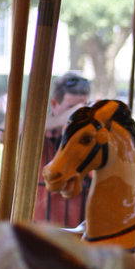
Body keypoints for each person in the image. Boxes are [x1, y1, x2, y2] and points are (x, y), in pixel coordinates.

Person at [33, 70, 92, 227]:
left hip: (81, 230)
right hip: (41, 230)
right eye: (71, 108)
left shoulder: (88, 139)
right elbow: (5, 132)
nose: (79, 115)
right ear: (54, 104)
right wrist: (62, 120)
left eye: (84, 108)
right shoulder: (38, 132)